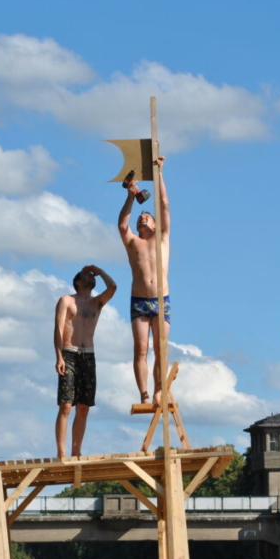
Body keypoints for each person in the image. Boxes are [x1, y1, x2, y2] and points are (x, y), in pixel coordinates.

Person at [118, 155, 170, 405]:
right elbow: (121, 225)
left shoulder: (162, 239)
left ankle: (160, 390)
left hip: (161, 300)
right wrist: (130, 196)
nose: (143, 218)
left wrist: (158, 173)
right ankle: (145, 393)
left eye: (147, 217)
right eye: (141, 217)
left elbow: (164, 204)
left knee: (161, 349)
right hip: (139, 301)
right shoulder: (133, 243)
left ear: (156, 224)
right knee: (141, 349)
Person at [53, 265, 116, 458]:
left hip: (88, 354)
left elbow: (113, 287)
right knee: (65, 404)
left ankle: (76, 449)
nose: (91, 277)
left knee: (84, 407)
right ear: (78, 282)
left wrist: (99, 270)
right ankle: (61, 451)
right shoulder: (66, 300)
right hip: (69, 352)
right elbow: (58, 329)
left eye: (92, 276)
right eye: (87, 275)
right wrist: (59, 356)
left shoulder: (97, 302)